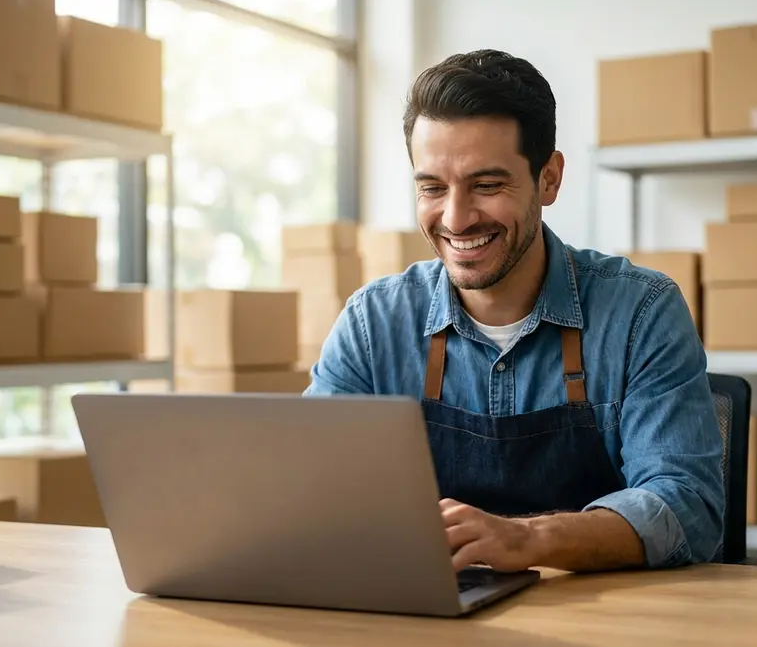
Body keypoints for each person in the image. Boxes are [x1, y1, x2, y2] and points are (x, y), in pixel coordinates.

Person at [304, 50, 725, 575]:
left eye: (486, 185)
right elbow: (311, 488)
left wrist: (531, 539)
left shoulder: (641, 311)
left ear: (549, 179)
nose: (455, 219)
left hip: (596, 621)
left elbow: (689, 507)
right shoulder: (373, 324)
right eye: (432, 187)